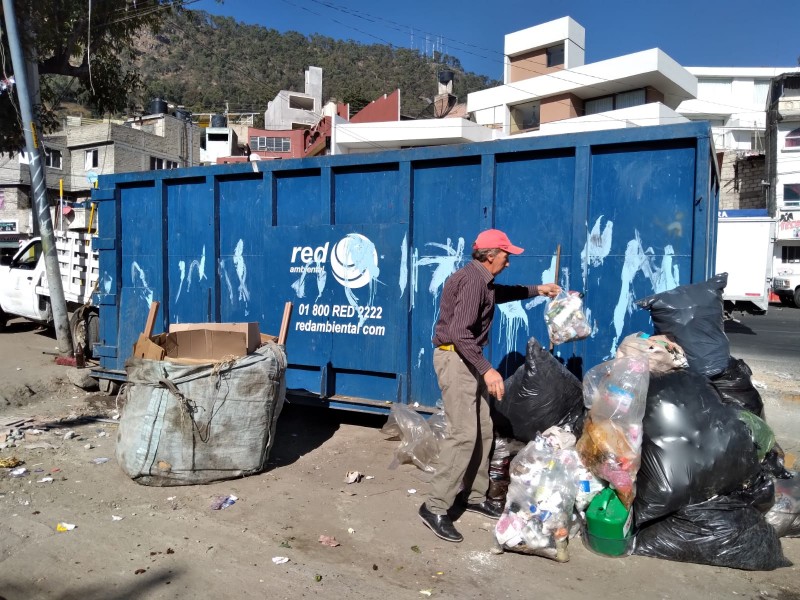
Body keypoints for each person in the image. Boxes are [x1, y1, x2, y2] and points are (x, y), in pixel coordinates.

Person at [419, 228, 561, 542]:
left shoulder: (481, 279)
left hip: (467, 359)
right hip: (457, 360)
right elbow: (458, 332)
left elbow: (501, 294)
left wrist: (539, 289)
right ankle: (434, 506)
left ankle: (472, 495)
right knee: (464, 436)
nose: (509, 261)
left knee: (484, 428)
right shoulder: (472, 281)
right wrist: (488, 370)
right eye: (507, 255)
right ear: (491, 255)